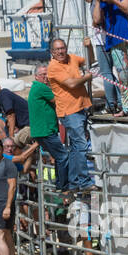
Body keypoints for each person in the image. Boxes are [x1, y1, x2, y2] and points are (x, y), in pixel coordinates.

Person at [47, 37, 96, 193]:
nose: (61, 51)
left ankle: (74, 182)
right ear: (52, 52)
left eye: (63, 48)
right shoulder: (53, 67)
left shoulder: (72, 58)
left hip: (81, 106)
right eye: (57, 49)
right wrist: (87, 77)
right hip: (69, 111)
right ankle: (84, 182)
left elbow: (90, 60)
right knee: (81, 145)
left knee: (76, 147)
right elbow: (72, 84)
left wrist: (89, 47)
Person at [96, 0, 128, 115]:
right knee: (123, 77)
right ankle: (126, 108)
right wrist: (97, 1)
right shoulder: (101, 3)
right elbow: (96, 20)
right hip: (114, 43)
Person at [79, 0, 118, 114]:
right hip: (103, 40)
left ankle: (111, 104)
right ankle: (118, 101)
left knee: (106, 74)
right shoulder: (94, 2)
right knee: (111, 74)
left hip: (103, 41)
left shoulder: (97, 0)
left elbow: (97, 19)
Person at [29, 63, 67, 192]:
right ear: (36, 77)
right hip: (45, 130)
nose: (46, 77)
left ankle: (59, 184)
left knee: (58, 156)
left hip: (42, 131)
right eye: (43, 74)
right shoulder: (41, 87)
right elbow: (58, 100)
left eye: (47, 74)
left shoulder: (36, 87)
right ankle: (63, 185)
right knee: (63, 156)